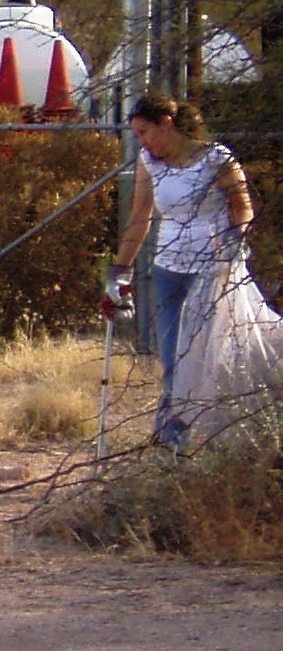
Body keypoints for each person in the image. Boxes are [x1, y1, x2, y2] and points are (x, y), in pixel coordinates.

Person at [108, 93, 259, 448]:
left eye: (145, 132)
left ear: (166, 124)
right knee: (173, 356)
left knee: (210, 358)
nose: (142, 142)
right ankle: (171, 442)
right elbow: (140, 218)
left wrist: (235, 245)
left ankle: (223, 439)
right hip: (168, 270)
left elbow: (243, 208)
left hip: (211, 271)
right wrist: (119, 272)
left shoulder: (216, 158)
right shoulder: (150, 163)